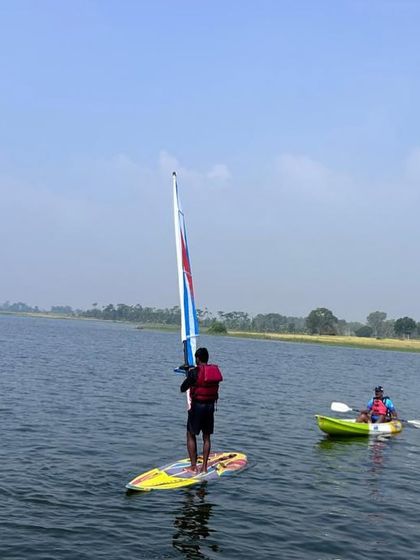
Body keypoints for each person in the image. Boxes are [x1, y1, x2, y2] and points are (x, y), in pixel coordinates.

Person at [180, 347, 223, 473]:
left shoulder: (195, 372)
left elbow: (183, 388)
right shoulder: (214, 371)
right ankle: (204, 467)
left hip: (198, 407)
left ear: (197, 359)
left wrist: (188, 375)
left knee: (190, 434)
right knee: (206, 437)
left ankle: (193, 466)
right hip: (210, 407)